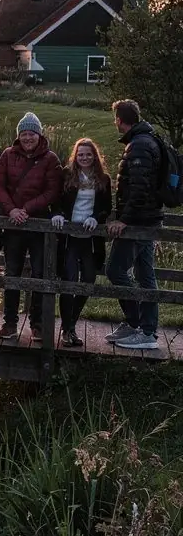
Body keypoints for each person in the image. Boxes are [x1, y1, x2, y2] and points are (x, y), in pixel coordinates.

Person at [0, 112, 63, 343]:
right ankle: (10, 323)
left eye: (31, 133)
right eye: (23, 133)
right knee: (11, 273)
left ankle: (37, 324)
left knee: (40, 274)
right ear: (18, 135)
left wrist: (27, 209)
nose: (27, 137)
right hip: (13, 225)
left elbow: (53, 191)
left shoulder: (50, 159)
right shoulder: (7, 155)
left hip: (38, 225)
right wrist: (11, 209)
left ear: (39, 134)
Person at [106, 99, 163, 350]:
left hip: (139, 222)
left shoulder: (139, 145)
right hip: (148, 219)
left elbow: (139, 189)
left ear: (119, 119)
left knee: (115, 270)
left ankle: (141, 326)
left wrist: (124, 220)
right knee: (144, 274)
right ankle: (142, 327)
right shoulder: (145, 139)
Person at [50, 138, 112, 348]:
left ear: (95, 156)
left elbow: (107, 206)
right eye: (80, 154)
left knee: (88, 280)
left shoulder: (103, 179)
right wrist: (57, 214)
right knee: (68, 281)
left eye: (88, 154)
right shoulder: (67, 175)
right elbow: (56, 200)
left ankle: (70, 323)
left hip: (90, 240)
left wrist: (96, 217)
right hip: (69, 239)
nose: (84, 157)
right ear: (75, 157)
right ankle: (68, 330)